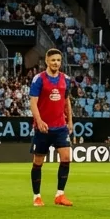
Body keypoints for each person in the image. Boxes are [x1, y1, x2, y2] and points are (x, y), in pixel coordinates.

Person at [29, 48, 74, 207]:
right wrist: (39, 121)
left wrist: (70, 121)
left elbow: (66, 100)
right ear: (47, 61)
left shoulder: (66, 79)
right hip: (43, 128)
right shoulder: (39, 79)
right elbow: (33, 102)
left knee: (66, 158)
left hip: (60, 126)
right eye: (53, 60)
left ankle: (60, 195)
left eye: (58, 60)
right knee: (38, 162)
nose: (56, 63)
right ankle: (37, 196)